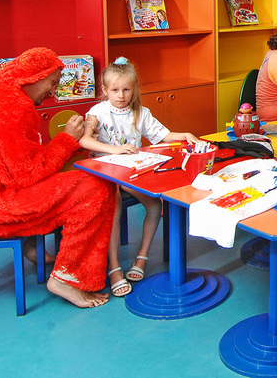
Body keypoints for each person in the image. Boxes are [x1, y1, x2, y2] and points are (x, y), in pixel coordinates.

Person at [0, 47, 117, 308]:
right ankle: (68, 277)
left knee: (72, 183)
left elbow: (12, 164)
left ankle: (31, 247)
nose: (53, 91)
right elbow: (27, 175)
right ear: (34, 77)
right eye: (52, 83)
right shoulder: (11, 104)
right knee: (97, 187)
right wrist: (67, 140)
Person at [79, 57, 199, 297]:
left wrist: (184, 134)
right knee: (113, 204)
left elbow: (162, 135)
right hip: (104, 173)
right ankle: (114, 268)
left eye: (126, 90)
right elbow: (84, 140)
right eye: (115, 90)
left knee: (154, 204)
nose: (121, 95)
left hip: (131, 172)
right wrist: (115, 150)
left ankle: (141, 257)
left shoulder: (141, 113)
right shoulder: (97, 112)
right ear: (105, 90)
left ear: (134, 89)